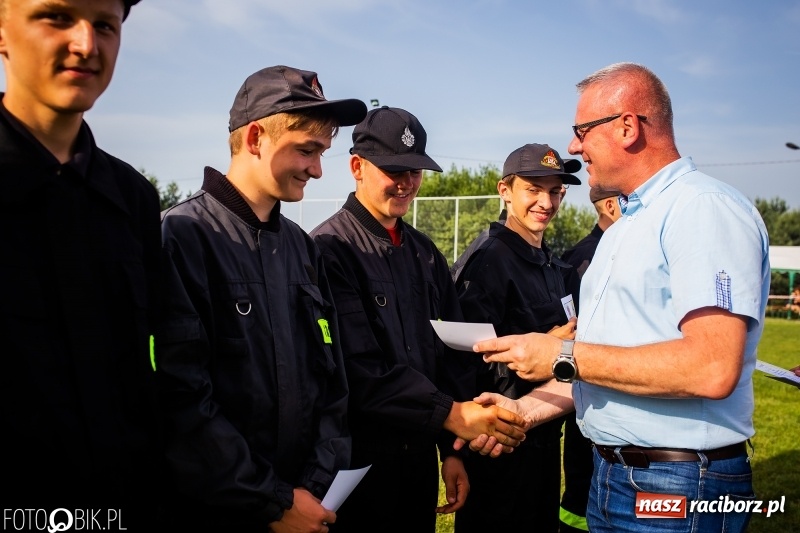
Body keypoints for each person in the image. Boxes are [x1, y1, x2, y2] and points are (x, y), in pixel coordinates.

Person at [472, 62, 770, 533]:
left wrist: (562, 353)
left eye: (582, 130)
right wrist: (523, 411)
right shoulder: (626, 226)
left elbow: (712, 366)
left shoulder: (701, 209)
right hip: (615, 477)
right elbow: (605, 365)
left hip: (676, 483)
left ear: (627, 126)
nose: (574, 146)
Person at [156, 66, 367, 532]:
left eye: (322, 153)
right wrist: (271, 501)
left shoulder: (302, 247)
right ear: (255, 138)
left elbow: (332, 381)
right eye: (307, 151)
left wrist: (311, 486)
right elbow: (181, 397)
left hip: (306, 506)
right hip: (221, 511)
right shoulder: (184, 236)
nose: (317, 169)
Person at [310, 106, 527, 533]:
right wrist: (451, 414)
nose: (408, 183)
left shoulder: (425, 253)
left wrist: (452, 449)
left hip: (419, 461)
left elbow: (452, 354)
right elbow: (359, 369)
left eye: (416, 170)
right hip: (357, 464)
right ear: (357, 167)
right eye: (395, 169)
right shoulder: (328, 249)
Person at [0, 0, 162, 526]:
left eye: (104, 25)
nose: (86, 45)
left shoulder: (134, 198)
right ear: (2, 32)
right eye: (56, 16)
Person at [452, 144, 580, 533]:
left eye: (555, 191)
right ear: (504, 191)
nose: (546, 201)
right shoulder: (490, 260)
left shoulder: (550, 263)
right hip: (498, 446)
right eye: (533, 189)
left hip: (543, 439)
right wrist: (547, 346)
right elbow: (466, 365)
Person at [557, 185, 621, 533]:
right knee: (583, 484)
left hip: (609, 393)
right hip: (588, 391)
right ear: (611, 205)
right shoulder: (586, 258)